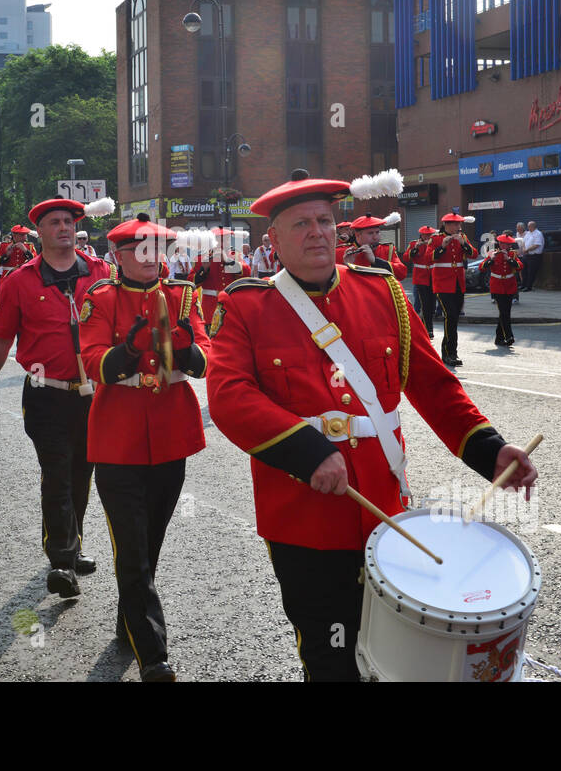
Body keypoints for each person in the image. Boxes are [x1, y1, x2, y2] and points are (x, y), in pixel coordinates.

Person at [205, 170, 537, 681]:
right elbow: (229, 397)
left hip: (385, 512)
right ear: (273, 240)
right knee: (331, 656)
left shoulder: (381, 292)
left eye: (323, 220)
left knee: (400, 654)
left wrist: (489, 449)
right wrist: (308, 451)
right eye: (300, 224)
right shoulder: (245, 305)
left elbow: (434, 385)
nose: (316, 231)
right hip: (304, 520)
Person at [78, 213, 210, 682]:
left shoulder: (183, 296)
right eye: (142, 249)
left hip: (170, 436)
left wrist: (189, 349)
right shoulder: (100, 297)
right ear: (117, 256)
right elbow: (93, 361)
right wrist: (130, 350)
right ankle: (154, 657)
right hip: (117, 439)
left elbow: (207, 358)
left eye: (159, 248)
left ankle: (129, 620)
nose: (153, 258)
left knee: (149, 545)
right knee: (131, 550)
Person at [0, 198, 116, 599]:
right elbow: (1, 340)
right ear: (39, 232)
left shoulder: (102, 272)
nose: (64, 228)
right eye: (55, 222)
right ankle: (61, 561)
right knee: (57, 474)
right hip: (44, 394)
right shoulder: (20, 280)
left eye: (69, 221)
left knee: (81, 476)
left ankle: (73, 544)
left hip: (94, 395)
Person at [430, 213, 477, 367]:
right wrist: (442, 246)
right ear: (447, 225)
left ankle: (452, 352)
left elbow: (473, 254)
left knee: (454, 319)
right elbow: (428, 257)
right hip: (443, 285)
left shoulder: (462, 237)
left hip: (458, 284)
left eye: (459, 224)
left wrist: (464, 243)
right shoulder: (436, 238)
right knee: (449, 316)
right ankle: (448, 353)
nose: (459, 227)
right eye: (456, 224)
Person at [191, 228, 251, 307]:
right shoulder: (201, 258)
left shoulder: (235, 255)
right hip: (210, 303)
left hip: (230, 302)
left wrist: (228, 261)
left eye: (227, 240)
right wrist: (203, 270)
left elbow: (247, 273)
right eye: (221, 240)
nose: (225, 243)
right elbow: (191, 283)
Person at [338, 215, 409, 282]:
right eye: (370, 233)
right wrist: (347, 265)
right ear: (358, 235)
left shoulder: (387, 249)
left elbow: (402, 274)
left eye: (377, 232)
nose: (375, 237)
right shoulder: (341, 251)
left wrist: (375, 261)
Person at [480, 235, 522, 347]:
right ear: (500, 244)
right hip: (497, 286)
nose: (506, 246)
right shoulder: (492, 253)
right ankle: (509, 336)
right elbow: (482, 267)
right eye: (504, 244)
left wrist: (509, 260)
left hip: (509, 285)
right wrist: (491, 259)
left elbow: (519, 266)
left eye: (508, 244)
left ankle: (499, 338)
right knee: (504, 312)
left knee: (505, 312)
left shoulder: (512, 254)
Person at [404, 226, 437, 339]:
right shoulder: (414, 244)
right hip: (420, 278)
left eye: (429, 235)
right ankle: (429, 329)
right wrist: (416, 249)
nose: (427, 237)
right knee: (425, 304)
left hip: (433, 277)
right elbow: (406, 258)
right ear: (421, 235)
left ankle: (424, 326)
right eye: (425, 235)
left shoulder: (435, 244)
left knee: (432, 305)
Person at [522, 220, 545, 291]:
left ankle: (529, 287)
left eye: (529, 226)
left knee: (531, 272)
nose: (528, 227)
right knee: (524, 271)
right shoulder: (528, 233)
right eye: (528, 226)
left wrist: (527, 249)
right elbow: (523, 242)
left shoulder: (538, 234)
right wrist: (524, 248)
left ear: (533, 226)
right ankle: (523, 285)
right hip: (527, 255)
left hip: (534, 256)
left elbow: (537, 245)